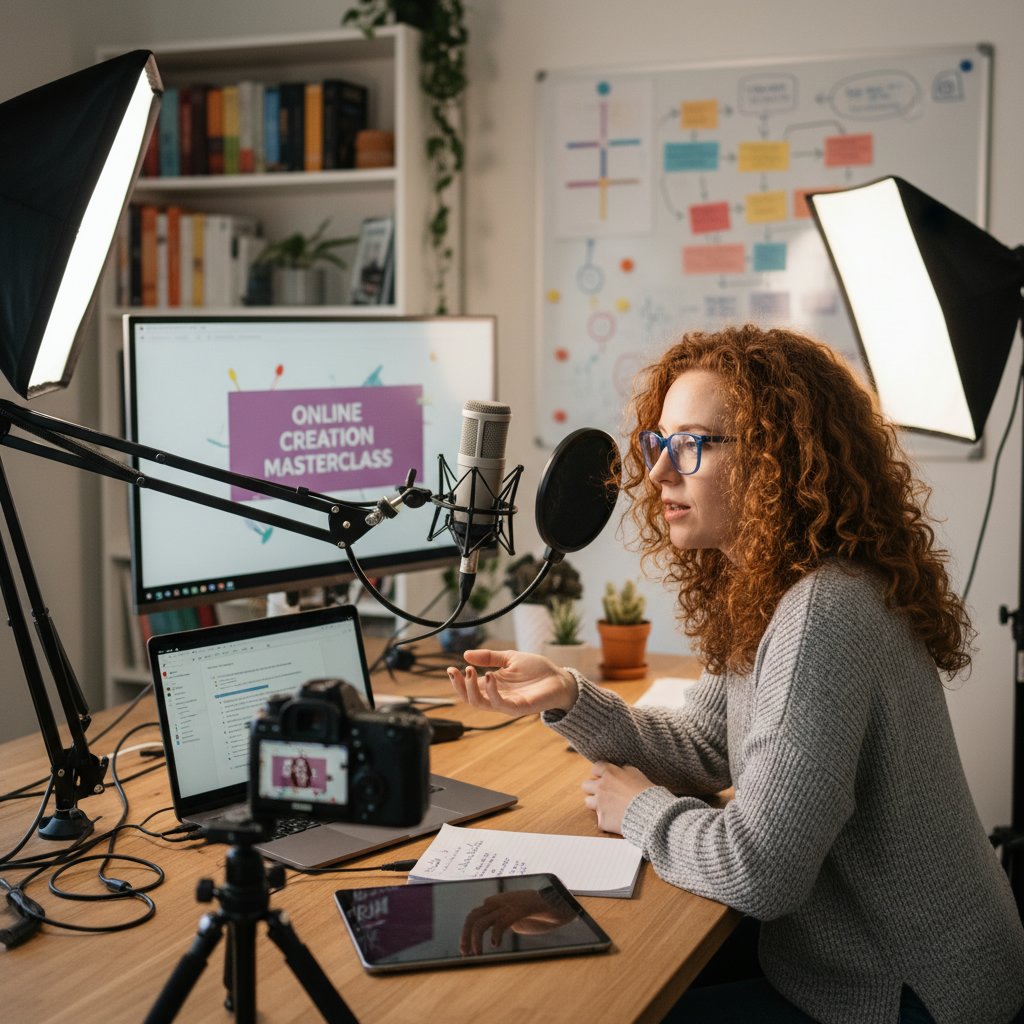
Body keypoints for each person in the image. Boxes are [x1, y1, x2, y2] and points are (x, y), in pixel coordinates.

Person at [447, 325, 1024, 1024]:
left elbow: (759, 871)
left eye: (690, 443)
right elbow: (702, 746)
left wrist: (638, 810)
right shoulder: (778, 585)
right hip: (844, 965)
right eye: (657, 444)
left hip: (902, 995)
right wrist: (570, 696)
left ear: (775, 459)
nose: (658, 472)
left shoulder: (824, 611)